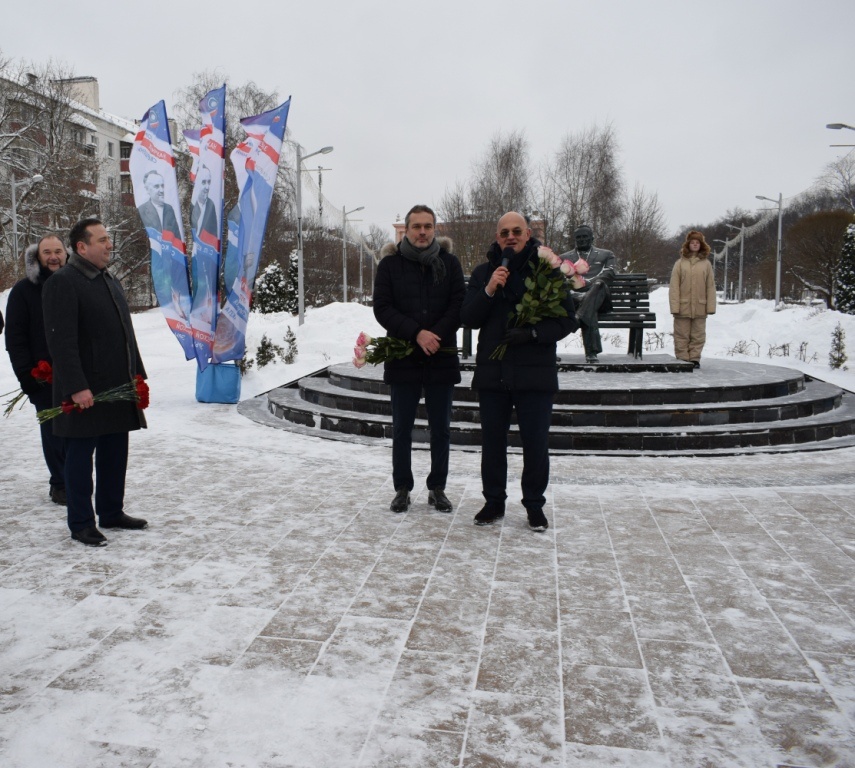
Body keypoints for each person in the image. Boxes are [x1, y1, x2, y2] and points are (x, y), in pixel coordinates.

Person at [461, 211, 577, 532]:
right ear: (497, 238)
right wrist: (489, 289)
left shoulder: (548, 272)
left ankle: (534, 505)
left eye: (516, 231)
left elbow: (568, 319)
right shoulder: (485, 272)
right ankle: (494, 501)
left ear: (528, 234)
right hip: (493, 373)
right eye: (504, 233)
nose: (510, 237)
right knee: (493, 443)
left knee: (535, 443)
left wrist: (533, 334)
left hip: (534, 374)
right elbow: (468, 318)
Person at [42, 218, 149, 547]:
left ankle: (111, 511)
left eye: (108, 239)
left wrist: (137, 374)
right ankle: (81, 522)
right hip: (86, 390)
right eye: (102, 240)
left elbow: (124, 333)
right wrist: (76, 386)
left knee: (115, 452)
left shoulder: (107, 278)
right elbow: (61, 342)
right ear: (81, 247)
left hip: (115, 386)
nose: (109, 244)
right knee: (79, 456)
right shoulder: (64, 282)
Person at [373, 204, 465, 513]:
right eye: (417, 226)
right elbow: (382, 308)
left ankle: (437, 487)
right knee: (402, 428)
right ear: (407, 230)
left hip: (441, 357)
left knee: (441, 428)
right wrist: (417, 334)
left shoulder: (449, 263)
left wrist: (434, 335)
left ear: (435, 229)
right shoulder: (389, 265)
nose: (422, 232)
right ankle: (402, 487)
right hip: (404, 360)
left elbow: (457, 305)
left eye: (428, 226)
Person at [5, 235, 68, 505]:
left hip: (79, 373)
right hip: (42, 377)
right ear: (37, 257)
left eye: (58, 251)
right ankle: (60, 483)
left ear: (66, 255)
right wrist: (27, 376)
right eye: (47, 252)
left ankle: (76, 479)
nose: (53, 257)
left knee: (80, 430)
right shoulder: (23, 291)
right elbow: (15, 339)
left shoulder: (76, 285)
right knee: (53, 430)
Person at [560, 225, 618, 363]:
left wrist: (590, 282)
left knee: (600, 285)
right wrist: (576, 286)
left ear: (592, 238)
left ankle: (578, 318)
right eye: (578, 237)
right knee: (588, 308)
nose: (582, 240)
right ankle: (591, 353)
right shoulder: (564, 257)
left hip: (600, 297)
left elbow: (610, 273)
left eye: (585, 236)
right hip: (576, 298)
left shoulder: (606, 254)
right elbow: (559, 279)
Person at [669, 230, 716, 368]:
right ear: (688, 245)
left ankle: (694, 359)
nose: (695, 245)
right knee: (681, 335)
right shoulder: (679, 263)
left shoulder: (706, 264)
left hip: (700, 307)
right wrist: (674, 306)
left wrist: (711, 307)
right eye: (692, 242)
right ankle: (683, 359)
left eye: (697, 243)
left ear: (701, 245)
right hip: (683, 307)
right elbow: (674, 287)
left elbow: (710, 286)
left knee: (698, 335)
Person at [137, 170, 180, 236]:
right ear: (147, 189)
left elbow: (176, 236)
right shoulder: (141, 210)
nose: (162, 190)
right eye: (156, 186)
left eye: (162, 186)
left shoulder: (169, 209)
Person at [190, 165, 219, 241]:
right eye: (203, 182)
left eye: (209, 182)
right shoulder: (191, 204)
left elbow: (213, 234)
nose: (207, 187)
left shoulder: (211, 205)